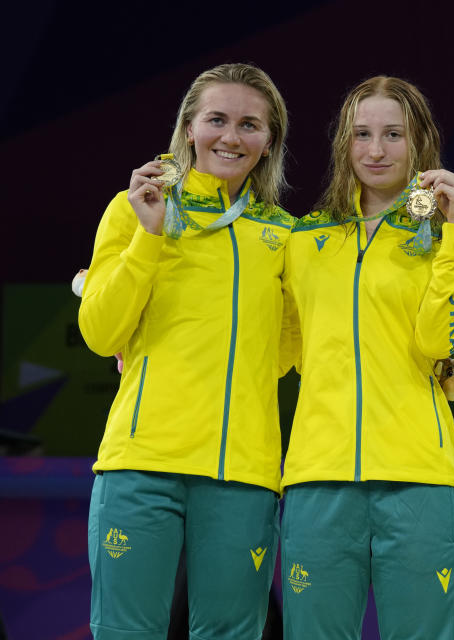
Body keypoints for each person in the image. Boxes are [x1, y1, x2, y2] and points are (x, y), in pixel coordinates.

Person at [79, 63, 294, 639]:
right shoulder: (133, 210)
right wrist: (148, 238)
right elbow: (100, 332)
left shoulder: (282, 234)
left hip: (240, 474)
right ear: (189, 128)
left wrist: (232, 376)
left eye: (250, 124)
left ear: (268, 139)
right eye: (217, 119)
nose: (231, 136)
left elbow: (287, 345)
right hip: (142, 463)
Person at [279, 76, 454, 640]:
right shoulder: (305, 239)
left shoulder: (447, 238)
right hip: (319, 479)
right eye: (362, 134)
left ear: (421, 143)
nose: (376, 150)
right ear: (344, 143)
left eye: (394, 134)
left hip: (418, 482)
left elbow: (441, 342)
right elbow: (269, 341)